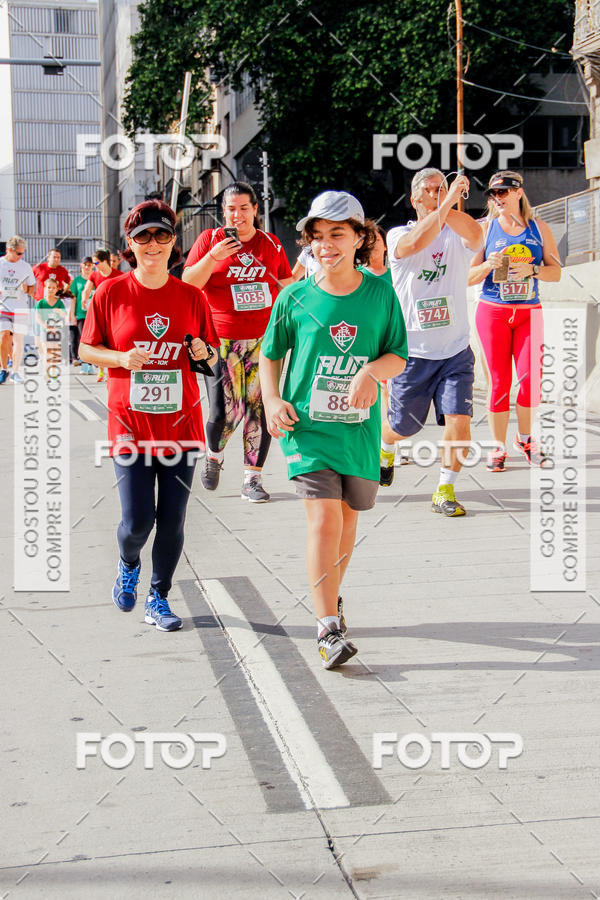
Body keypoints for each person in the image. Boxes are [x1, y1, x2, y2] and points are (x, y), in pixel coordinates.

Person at [260, 191, 408, 669]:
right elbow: (269, 355)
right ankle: (327, 627)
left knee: (347, 521)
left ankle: (332, 598)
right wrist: (272, 400)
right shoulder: (294, 297)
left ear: (360, 237)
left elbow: (398, 354)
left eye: (337, 234)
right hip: (306, 428)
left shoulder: (380, 293)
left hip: (358, 432)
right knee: (323, 518)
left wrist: (371, 372)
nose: (326, 245)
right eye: (318, 236)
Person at [79, 200, 219, 631]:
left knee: (172, 520)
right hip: (130, 426)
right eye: (144, 236)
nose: (153, 244)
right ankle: (128, 563)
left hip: (181, 427)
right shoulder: (110, 293)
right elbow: (86, 349)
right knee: (138, 520)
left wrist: (203, 351)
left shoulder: (191, 296)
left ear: (174, 242)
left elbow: (211, 355)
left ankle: (158, 596)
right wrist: (121, 358)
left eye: (162, 235)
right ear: (130, 243)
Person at [380, 168, 483, 517]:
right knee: (403, 427)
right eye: (430, 190)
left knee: (459, 420)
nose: (438, 193)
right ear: (414, 199)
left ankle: (444, 490)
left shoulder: (456, 231)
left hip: (455, 352)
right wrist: (448, 200)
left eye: (442, 188)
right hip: (413, 353)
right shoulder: (398, 234)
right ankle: (385, 447)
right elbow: (414, 244)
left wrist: (448, 204)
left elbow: (477, 236)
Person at [182, 181, 293, 502]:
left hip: (262, 341)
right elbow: (188, 284)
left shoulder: (270, 243)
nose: (238, 215)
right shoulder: (209, 240)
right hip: (219, 342)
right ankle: (214, 456)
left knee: (259, 408)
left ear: (255, 210)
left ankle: (252, 479)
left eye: (244, 208)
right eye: (231, 209)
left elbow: (286, 286)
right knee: (224, 411)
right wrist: (213, 257)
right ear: (223, 212)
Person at [469, 171, 561, 471]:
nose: (498, 198)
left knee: (531, 380)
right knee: (499, 383)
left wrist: (532, 270)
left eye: (504, 192)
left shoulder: (539, 228)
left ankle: (525, 439)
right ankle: (498, 447)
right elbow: (467, 277)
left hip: (528, 313)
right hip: (493, 312)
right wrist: (487, 265)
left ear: (519, 193)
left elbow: (556, 272)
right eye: (494, 194)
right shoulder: (485, 229)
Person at [82, 249, 123, 382]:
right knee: (100, 342)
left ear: (105, 261)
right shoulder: (94, 275)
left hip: (115, 313)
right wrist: (84, 299)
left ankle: (112, 370)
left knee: (113, 342)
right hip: (101, 313)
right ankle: (101, 371)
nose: (94, 265)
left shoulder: (119, 275)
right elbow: (86, 289)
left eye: (96, 263)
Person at [0, 236, 36, 384]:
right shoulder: (1, 264)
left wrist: (25, 288)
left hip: (20, 308)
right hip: (3, 307)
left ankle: (15, 372)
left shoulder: (25, 267)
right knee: (4, 337)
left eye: (23, 253)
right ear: (9, 250)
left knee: (18, 340)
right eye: (19, 253)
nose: (21, 256)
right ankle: (3, 369)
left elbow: (32, 290)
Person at [35, 276, 67, 373]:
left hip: (56, 330)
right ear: (45, 288)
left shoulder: (59, 303)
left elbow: (64, 315)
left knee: (55, 351)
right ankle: (47, 372)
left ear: (57, 289)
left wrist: (60, 312)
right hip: (45, 330)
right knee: (47, 350)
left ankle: (53, 372)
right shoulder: (41, 303)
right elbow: (38, 318)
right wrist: (45, 326)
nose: (51, 290)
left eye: (53, 288)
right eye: (49, 287)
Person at [70, 257, 94, 373]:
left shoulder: (95, 279)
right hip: (81, 314)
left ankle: (91, 363)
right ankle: (84, 363)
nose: (87, 267)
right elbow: (73, 298)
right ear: (81, 266)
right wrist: (72, 315)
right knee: (83, 339)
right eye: (85, 264)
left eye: (89, 265)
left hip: (93, 314)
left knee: (92, 339)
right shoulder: (77, 281)